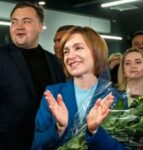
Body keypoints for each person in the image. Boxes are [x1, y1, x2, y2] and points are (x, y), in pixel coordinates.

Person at [32, 26, 126, 150]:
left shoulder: (116, 98)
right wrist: (58, 129)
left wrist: (94, 131)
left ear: (96, 51)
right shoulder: (53, 94)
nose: (70, 56)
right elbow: (37, 145)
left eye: (78, 48)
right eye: (66, 51)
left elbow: (123, 147)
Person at [0, 2, 65, 150]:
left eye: (26, 21)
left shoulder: (54, 62)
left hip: (47, 142)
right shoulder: (1, 57)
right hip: (9, 143)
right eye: (14, 22)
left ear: (41, 26)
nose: (19, 26)